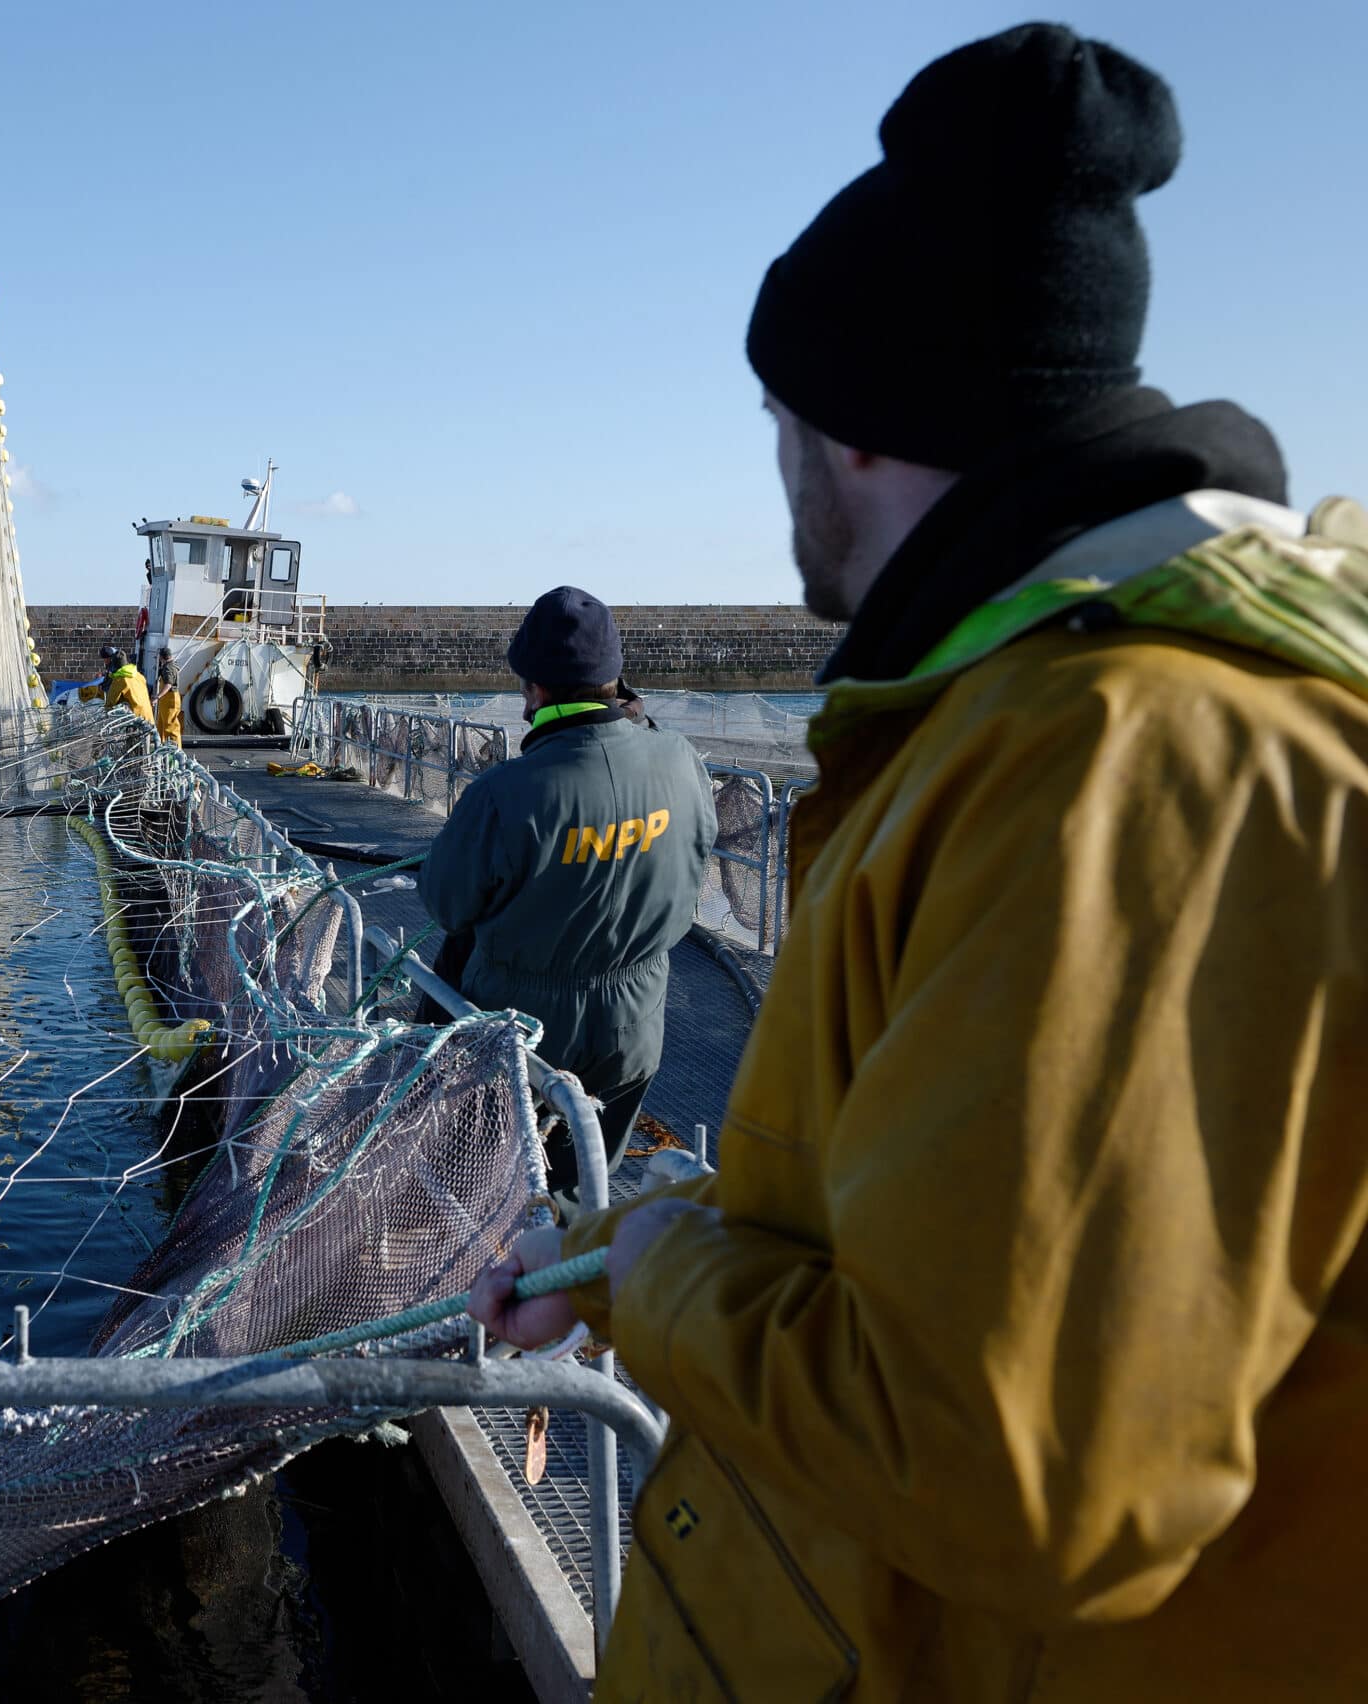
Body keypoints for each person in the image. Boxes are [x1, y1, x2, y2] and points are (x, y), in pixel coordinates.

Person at [472, 26, 1368, 1701]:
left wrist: (657, 1269)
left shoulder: (1122, 763)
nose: (782, 470)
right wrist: (646, 1236)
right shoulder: (1049, 717)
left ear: (862, 426)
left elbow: (1016, 1461)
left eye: (781, 416)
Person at [419, 586, 714, 1197]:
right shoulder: (681, 760)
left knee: (487, 1201)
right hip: (635, 1024)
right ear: (615, 679)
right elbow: (694, 863)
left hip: (519, 1032)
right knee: (586, 1199)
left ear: (535, 689)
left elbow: (447, 903)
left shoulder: (505, 791)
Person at [92, 644, 154, 727]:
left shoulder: (119, 680)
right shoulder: (139, 675)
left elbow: (110, 702)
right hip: (148, 717)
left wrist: (105, 714)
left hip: (134, 720)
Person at [151, 646, 184, 747]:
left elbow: (168, 684)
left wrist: (158, 696)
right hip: (169, 699)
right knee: (161, 725)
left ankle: (176, 751)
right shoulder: (173, 665)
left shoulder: (167, 668)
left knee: (171, 727)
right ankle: (161, 746)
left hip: (170, 699)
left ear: (162, 657)